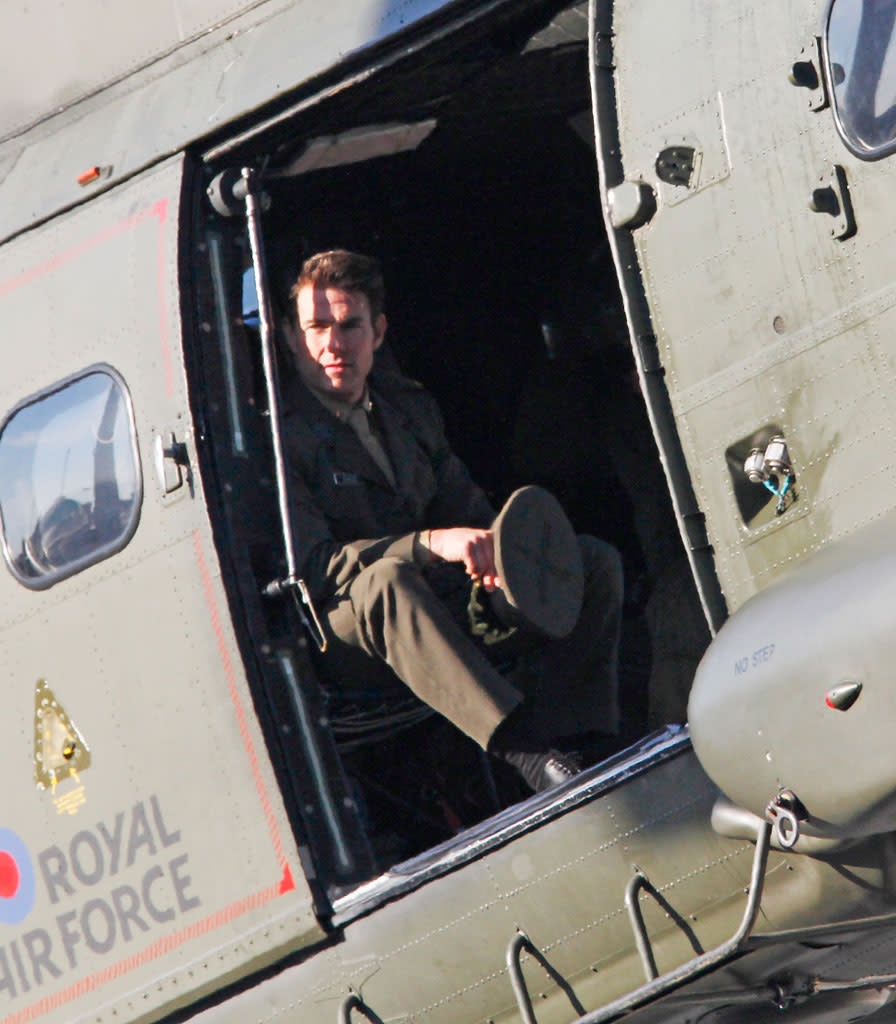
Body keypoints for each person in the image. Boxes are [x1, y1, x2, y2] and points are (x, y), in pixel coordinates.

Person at [280, 250, 624, 792]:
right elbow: (317, 567)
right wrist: (429, 544)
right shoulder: (278, 443)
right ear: (291, 337)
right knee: (387, 584)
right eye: (317, 327)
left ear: (378, 334)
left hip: (432, 598)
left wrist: (497, 560)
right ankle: (529, 753)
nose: (333, 344)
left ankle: (583, 740)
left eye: (350, 326)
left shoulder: (408, 412)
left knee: (592, 562)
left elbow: (466, 510)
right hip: (346, 631)